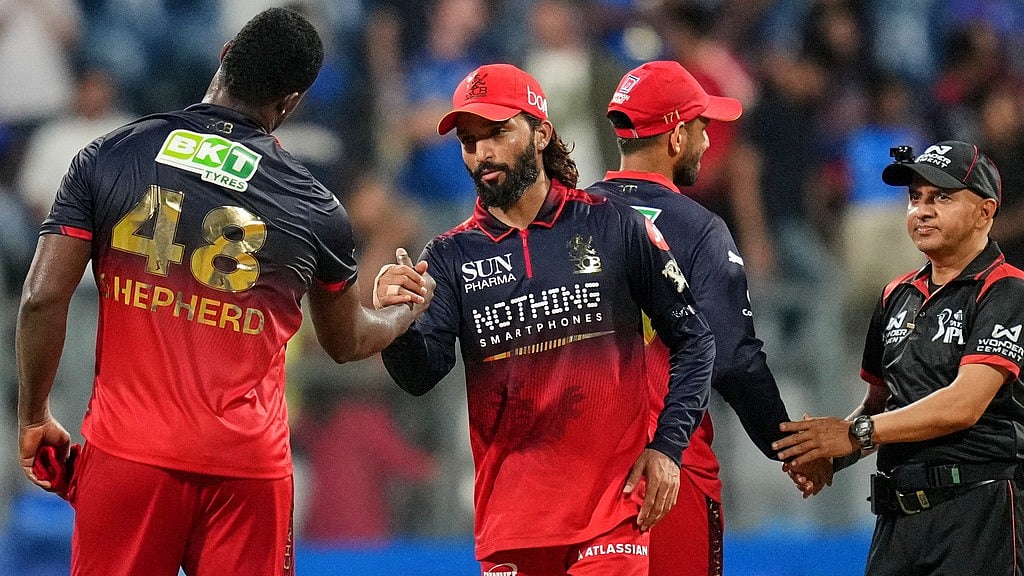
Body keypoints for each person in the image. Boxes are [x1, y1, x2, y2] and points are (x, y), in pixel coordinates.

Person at [15, 8, 431, 576]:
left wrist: (35, 413)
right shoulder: (316, 208)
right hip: (248, 470)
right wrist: (399, 312)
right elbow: (348, 341)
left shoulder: (111, 156)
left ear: (225, 51)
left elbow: (41, 298)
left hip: (129, 454)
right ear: (290, 103)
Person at [374, 63, 716, 575]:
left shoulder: (613, 224)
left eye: (497, 133)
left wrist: (667, 447)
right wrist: (395, 324)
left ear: (541, 134)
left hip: (610, 517)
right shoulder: (448, 256)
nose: (481, 154)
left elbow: (694, 341)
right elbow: (421, 375)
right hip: (510, 527)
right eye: (469, 141)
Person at [587, 60, 828, 576]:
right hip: (667, 472)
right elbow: (733, 360)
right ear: (675, 138)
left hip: (577, 479)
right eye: (702, 126)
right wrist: (788, 445)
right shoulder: (698, 229)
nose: (706, 139)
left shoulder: (565, 219)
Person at [774, 141, 1024, 575]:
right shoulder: (896, 294)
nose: (922, 210)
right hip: (897, 519)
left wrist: (854, 435)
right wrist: (832, 454)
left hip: (978, 513)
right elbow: (882, 402)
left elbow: (963, 405)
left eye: (941, 197)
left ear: (986, 211)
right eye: (915, 198)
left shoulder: (1008, 291)